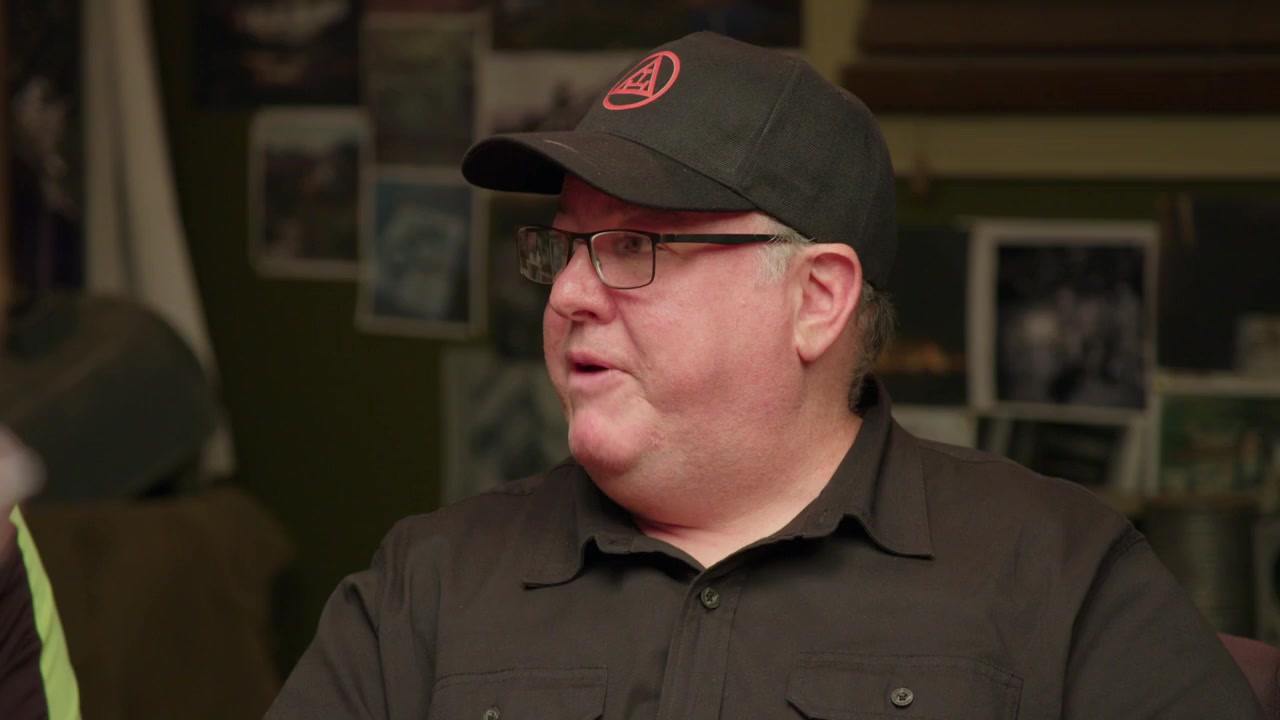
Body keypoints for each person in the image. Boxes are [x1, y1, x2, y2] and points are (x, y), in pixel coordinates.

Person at [267, 32, 1262, 718]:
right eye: (563, 247)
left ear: (816, 299)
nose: (567, 293)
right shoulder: (427, 588)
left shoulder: (1056, 576)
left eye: (631, 246)